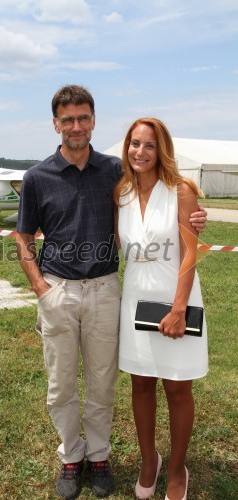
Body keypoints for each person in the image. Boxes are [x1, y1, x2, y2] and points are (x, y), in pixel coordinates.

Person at [15, 86, 207, 499]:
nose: (77, 126)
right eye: (68, 120)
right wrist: (40, 287)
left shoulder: (113, 175)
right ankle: (71, 457)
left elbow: (158, 225)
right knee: (61, 385)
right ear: (56, 125)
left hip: (107, 291)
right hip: (61, 291)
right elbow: (22, 235)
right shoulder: (38, 177)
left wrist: (193, 220)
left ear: (94, 121)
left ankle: (100, 457)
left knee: (104, 384)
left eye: (83, 118)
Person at [114, 117, 208, 500]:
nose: (140, 152)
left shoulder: (181, 190)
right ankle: (148, 460)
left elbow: (190, 253)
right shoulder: (120, 192)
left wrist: (179, 307)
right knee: (140, 383)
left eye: (149, 145)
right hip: (135, 294)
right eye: (135, 144)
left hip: (176, 296)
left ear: (161, 149)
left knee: (177, 387)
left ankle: (175, 468)